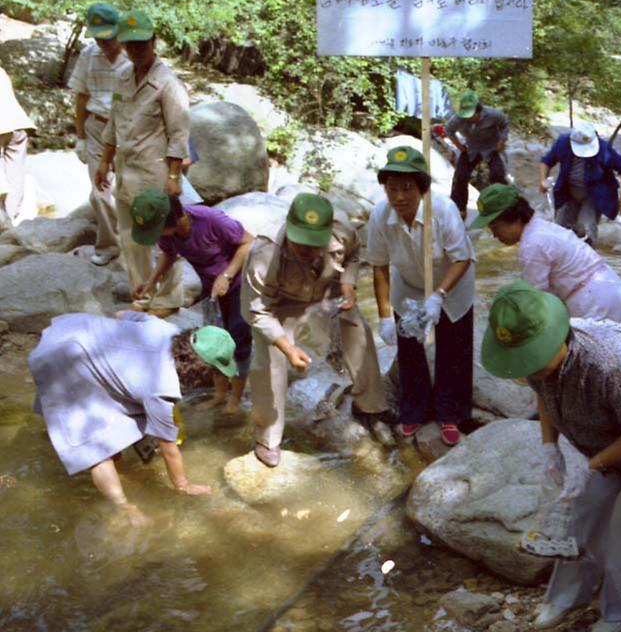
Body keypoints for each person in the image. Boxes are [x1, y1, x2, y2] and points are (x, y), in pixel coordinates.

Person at [483, 281, 621, 632]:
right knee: (582, 509)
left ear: (559, 339)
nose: (530, 371)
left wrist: (592, 466)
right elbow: (544, 396)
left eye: (533, 361)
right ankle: (567, 596)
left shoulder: (611, 363)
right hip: (612, 437)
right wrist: (549, 446)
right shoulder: (543, 368)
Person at [29, 313, 236, 517]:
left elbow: (121, 314)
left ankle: (53, 432)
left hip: (71, 329)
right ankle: (124, 510)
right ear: (201, 368)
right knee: (98, 446)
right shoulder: (162, 388)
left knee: (71, 406)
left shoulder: (165, 328)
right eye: (214, 371)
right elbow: (168, 448)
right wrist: (183, 485)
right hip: (67, 358)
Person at [242, 192, 390, 468]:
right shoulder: (265, 254)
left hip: (326, 289)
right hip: (279, 304)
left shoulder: (343, 230)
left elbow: (355, 255)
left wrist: (348, 283)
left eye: (314, 244)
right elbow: (258, 311)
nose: (306, 250)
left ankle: (371, 406)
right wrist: (287, 346)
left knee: (357, 329)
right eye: (300, 243)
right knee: (270, 363)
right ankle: (267, 436)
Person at [367, 146, 475, 447]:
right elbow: (379, 269)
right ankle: (414, 409)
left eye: (407, 188)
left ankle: (451, 413)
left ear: (422, 188)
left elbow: (462, 258)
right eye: (392, 189)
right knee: (410, 346)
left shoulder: (442, 210)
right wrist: (385, 316)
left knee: (453, 347)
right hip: (409, 283)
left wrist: (439, 296)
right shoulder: (380, 216)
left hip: (452, 283)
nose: (399, 197)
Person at [96, 9, 188, 315]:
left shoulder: (168, 83)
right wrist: (103, 161)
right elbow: (113, 123)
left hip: (154, 173)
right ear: (123, 44)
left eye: (142, 43)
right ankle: (142, 293)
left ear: (153, 41)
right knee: (130, 237)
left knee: (163, 239)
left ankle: (169, 298)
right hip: (124, 171)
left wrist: (173, 177)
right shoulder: (122, 76)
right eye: (130, 44)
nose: (136, 49)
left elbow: (178, 133)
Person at [130, 189, 253, 412]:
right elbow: (168, 255)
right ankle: (219, 395)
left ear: (174, 219)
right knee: (212, 342)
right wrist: (150, 283)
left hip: (239, 286)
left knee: (238, 341)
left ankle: (236, 397)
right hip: (211, 289)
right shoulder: (168, 234)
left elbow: (248, 242)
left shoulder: (210, 220)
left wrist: (226, 275)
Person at [470, 184, 621, 322]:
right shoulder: (540, 227)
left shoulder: (532, 244)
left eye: (496, 228)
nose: (495, 235)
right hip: (610, 289)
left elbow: (536, 300)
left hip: (596, 302)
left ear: (516, 218)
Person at [69, 2, 126, 266]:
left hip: (128, 129)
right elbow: (81, 97)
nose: (105, 43)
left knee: (129, 188)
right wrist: (80, 137)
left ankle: (137, 241)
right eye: (100, 38)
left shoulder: (134, 54)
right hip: (97, 127)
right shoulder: (88, 55)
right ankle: (109, 246)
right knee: (101, 189)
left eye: (109, 37)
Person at [539, 123, 621, 247]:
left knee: (585, 229)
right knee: (560, 230)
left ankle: (588, 258)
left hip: (595, 194)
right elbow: (546, 162)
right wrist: (542, 180)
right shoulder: (562, 143)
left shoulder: (604, 149)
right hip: (567, 191)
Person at [443, 89, 509, 216]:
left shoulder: (493, 114)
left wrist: (502, 140)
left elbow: (505, 123)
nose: (469, 119)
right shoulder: (458, 118)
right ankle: (459, 209)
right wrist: (459, 146)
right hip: (471, 148)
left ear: (479, 111)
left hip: (491, 147)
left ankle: (503, 207)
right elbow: (448, 130)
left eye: (472, 115)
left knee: (497, 174)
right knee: (460, 176)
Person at [0, 64, 36, 229]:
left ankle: (3, 220)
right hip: (18, 124)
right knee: (16, 172)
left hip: (2, 126)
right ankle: (10, 217)